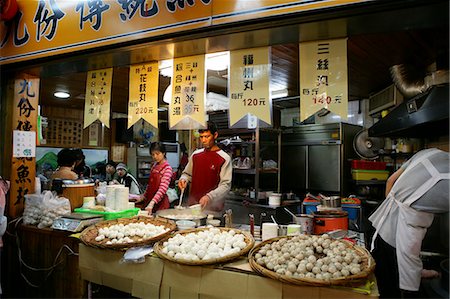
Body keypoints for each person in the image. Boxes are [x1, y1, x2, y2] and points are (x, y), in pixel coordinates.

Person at [369, 148, 449, 299]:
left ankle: (412, 274)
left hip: (381, 231)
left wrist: (394, 210)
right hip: (395, 244)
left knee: (385, 281)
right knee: (396, 291)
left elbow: (390, 180)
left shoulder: (429, 153)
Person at [178, 121, 232, 215]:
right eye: (201, 137)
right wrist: (183, 179)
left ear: (215, 135)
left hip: (213, 210)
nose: (203, 140)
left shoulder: (224, 158)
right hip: (193, 207)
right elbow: (187, 174)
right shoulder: (196, 155)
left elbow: (225, 185)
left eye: (207, 136)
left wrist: (209, 196)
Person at [136, 142, 172, 214]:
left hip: (160, 204)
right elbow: (150, 185)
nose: (155, 156)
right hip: (149, 200)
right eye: (153, 154)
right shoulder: (154, 166)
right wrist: (144, 196)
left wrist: (152, 203)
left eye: (157, 154)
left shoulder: (167, 169)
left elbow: (162, 189)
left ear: (163, 153)